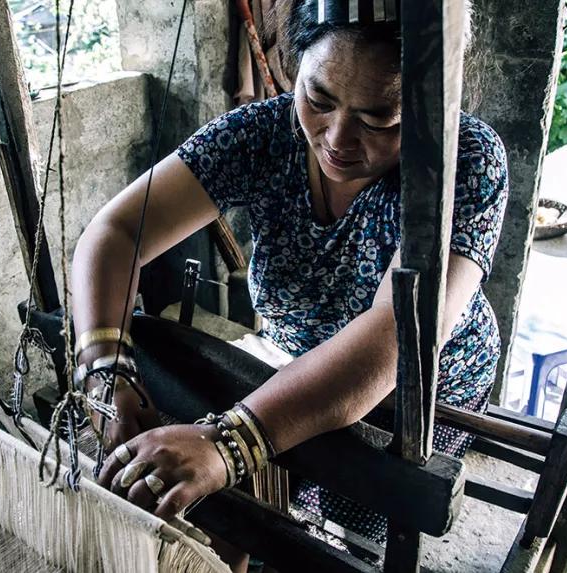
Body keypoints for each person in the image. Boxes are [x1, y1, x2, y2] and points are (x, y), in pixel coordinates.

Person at [71, 1, 507, 569]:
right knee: (239, 502)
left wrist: (228, 444)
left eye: (381, 119)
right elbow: (118, 229)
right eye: (319, 99)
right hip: (302, 360)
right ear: (292, 64)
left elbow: (393, 339)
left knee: (349, 529)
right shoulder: (266, 134)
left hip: (417, 394)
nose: (338, 138)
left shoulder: (462, 161)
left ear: (434, 107)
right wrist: (105, 367)